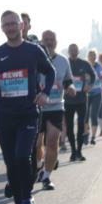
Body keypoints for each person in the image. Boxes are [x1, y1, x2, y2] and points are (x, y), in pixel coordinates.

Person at [0, 11, 55, 204]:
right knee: (11, 162)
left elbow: (49, 72)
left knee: (23, 156)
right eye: (6, 25)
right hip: (4, 115)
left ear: (21, 26)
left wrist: (45, 93)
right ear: (2, 28)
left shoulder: (33, 51)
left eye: (14, 23)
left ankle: (28, 198)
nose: (11, 28)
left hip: (28, 114)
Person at [35, 30, 74, 191]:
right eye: (46, 39)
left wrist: (71, 87)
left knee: (52, 140)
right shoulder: (35, 59)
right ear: (41, 41)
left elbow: (68, 81)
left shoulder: (63, 61)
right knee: (37, 144)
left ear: (56, 42)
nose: (49, 42)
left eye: (52, 39)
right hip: (37, 106)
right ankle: (39, 165)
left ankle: (46, 177)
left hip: (56, 106)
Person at [65, 44, 96, 162]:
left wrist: (89, 85)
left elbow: (93, 75)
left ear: (78, 51)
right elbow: (57, 76)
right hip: (68, 100)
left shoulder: (84, 63)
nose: (73, 52)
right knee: (69, 126)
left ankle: (79, 151)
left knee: (81, 125)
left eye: (75, 50)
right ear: (68, 51)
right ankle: (73, 151)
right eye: (71, 50)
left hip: (82, 99)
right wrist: (64, 88)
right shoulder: (65, 63)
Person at [86, 49, 102, 145]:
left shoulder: (98, 66)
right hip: (87, 93)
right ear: (88, 56)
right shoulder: (85, 65)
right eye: (90, 55)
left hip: (97, 93)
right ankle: (86, 133)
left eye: (94, 55)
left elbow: (99, 75)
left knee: (94, 115)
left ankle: (93, 137)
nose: (92, 57)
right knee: (86, 115)